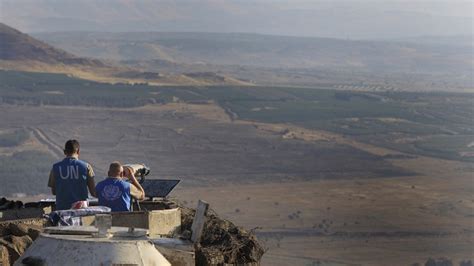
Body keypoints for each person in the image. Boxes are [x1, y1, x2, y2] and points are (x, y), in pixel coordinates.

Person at [48, 139, 97, 210]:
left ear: (64, 152)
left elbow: (54, 192)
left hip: (62, 209)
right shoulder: (86, 167)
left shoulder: (55, 168)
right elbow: (93, 192)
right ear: (78, 151)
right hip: (81, 209)